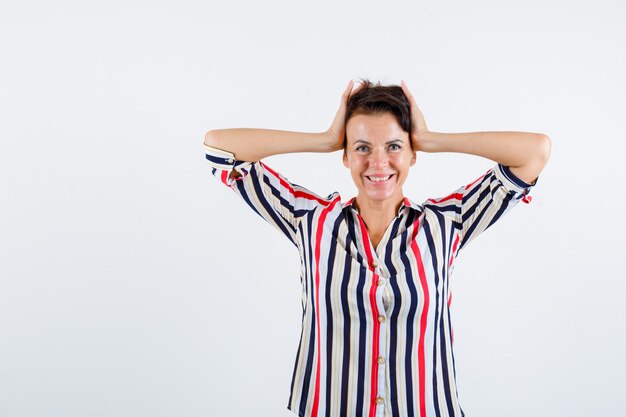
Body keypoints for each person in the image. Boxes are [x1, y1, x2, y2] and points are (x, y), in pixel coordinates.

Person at [202, 79, 551, 417]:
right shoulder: (310, 221)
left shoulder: (447, 223)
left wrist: (430, 138)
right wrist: (324, 139)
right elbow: (219, 148)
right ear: (346, 156)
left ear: (413, 154)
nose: (378, 163)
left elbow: (534, 152)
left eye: (395, 146)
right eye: (362, 147)